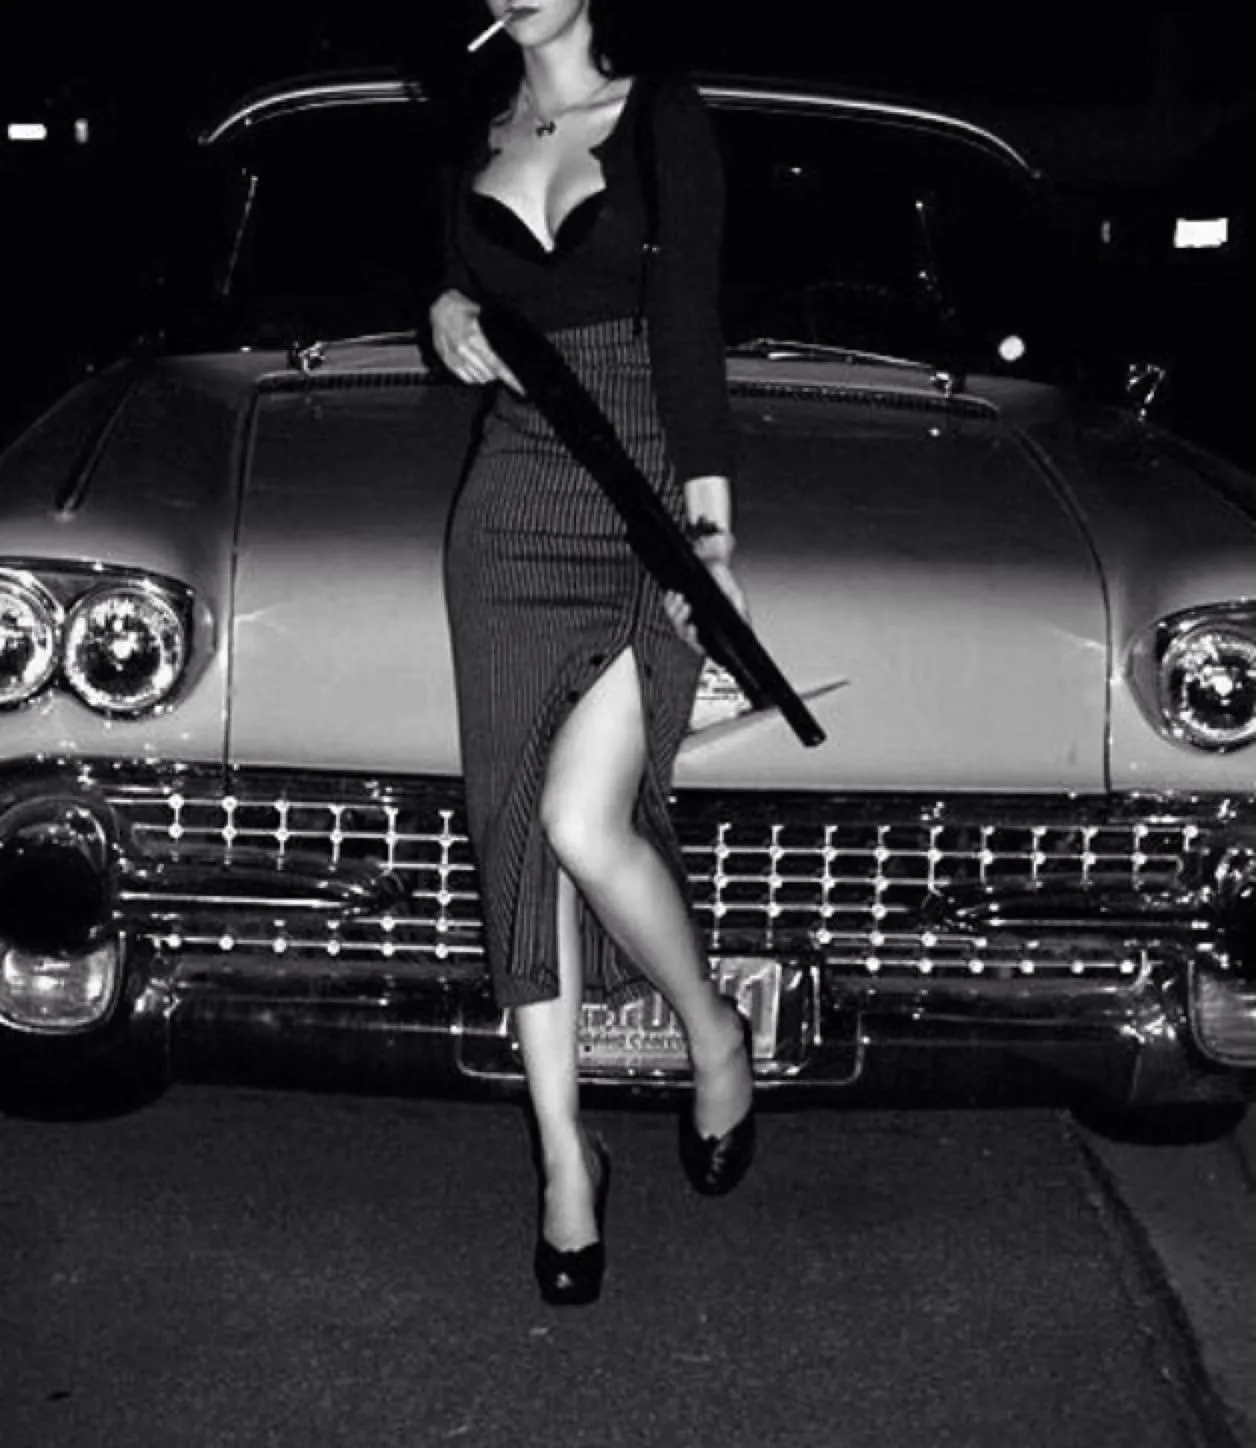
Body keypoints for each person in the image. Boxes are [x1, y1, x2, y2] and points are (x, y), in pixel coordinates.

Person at [430, 0, 754, 1307]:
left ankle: (713, 1033)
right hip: (509, 506)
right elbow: (452, 287)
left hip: (644, 497)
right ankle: (565, 1159)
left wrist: (711, 545)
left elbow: (690, 330)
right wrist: (445, 308)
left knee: (580, 820)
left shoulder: (663, 114)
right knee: (515, 830)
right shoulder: (469, 123)